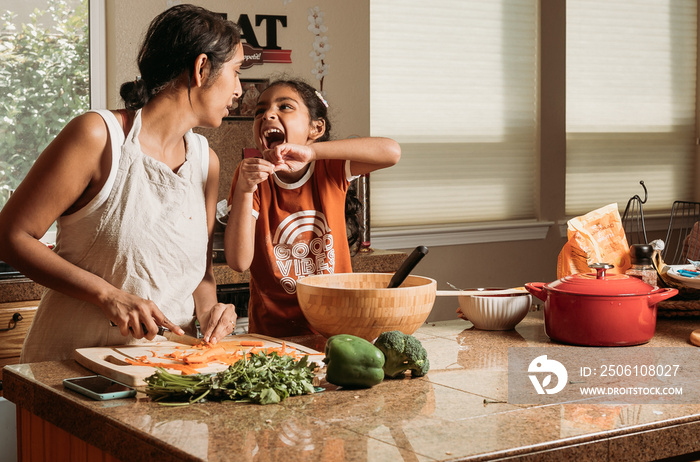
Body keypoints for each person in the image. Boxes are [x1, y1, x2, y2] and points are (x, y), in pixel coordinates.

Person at [0, 4, 243, 362]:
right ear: (201, 68)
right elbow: (10, 236)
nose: (238, 89)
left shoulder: (207, 161)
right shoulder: (99, 136)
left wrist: (210, 312)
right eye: (236, 73)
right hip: (70, 369)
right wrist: (106, 295)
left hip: (165, 372)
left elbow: (200, 274)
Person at [224, 79, 401, 337]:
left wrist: (312, 153)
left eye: (285, 107)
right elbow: (239, 262)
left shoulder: (330, 168)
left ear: (316, 128)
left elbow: (392, 152)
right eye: (260, 111)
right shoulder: (250, 176)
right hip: (273, 335)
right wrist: (245, 188)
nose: (268, 115)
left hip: (337, 326)